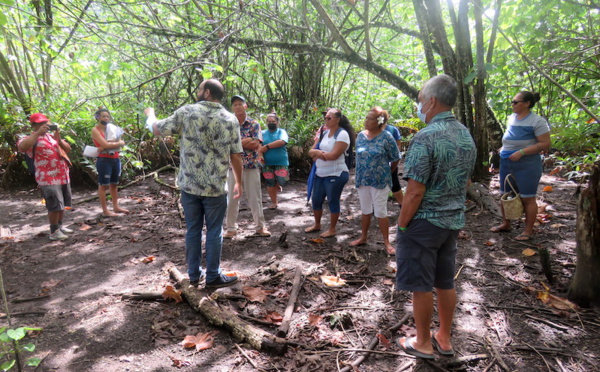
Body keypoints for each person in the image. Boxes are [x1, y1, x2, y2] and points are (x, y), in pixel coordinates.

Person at [395, 75, 476, 359]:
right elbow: (465, 181)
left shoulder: (426, 136)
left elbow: (414, 191)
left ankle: (422, 342)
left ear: (431, 101)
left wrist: (402, 224)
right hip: (452, 220)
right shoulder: (465, 134)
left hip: (424, 222)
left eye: (420, 101)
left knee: (420, 284)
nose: (419, 107)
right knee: (445, 281)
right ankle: (443, 336)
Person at [144, 79, 243, 289]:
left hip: (190, 186)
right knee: (215, 231)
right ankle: (213, 275)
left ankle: (194, 274)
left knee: (193, 230)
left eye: (199, 89)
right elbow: (236, 155)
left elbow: (156, 129)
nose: (198, 92)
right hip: (216, 187)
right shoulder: (230, 118)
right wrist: (239, 182)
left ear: (206, 92)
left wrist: (150, 115)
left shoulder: (187, 111)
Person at [490, 91, 551, 241]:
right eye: (512, 101)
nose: (513, 104)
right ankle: (506, 224)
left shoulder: (537, 121)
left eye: (516, 102)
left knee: (528, 198)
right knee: (504, 194)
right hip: (507, 161)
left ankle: (528, 230)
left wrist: (522, 152)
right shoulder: (512, 118)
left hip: (527, 163)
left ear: (527, 103)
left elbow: (545, 144)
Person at [350, 107, 400, 254]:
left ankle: (386, 242)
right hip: (363, 179)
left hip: (380, 181)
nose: (366, 121)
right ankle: (363, 237)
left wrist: (388, 172)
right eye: (366, 117)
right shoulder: (360, 136)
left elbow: (396, 158)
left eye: (370, 119)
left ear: (379, 122)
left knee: (380, 211)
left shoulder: (387, 137)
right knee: (365, 210)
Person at [17, 113, 73, 241]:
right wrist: (37, 134)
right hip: (47, 177)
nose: (44, 125)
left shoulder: (52, 137)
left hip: (63, 175)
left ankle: (60, 226)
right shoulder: (29, 138)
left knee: (62, 203)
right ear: (33, 125)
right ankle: (54, 231)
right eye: (40, 123)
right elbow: (22, 147)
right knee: (54, 202)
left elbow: (68, 149)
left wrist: (58, 139)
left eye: (45, 122)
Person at [224, 95, 271, 238]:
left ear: (245, 106)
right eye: (235, 104)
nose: (237, 106)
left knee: (254, 197)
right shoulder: (228, 123)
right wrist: (247, 140)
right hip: (233, 166)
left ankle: (260, 227)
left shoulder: (254, 123)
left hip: (251, 165)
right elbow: (226, 143)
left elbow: (256, 144)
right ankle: (231, 228)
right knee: (232, 198)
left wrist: (237, 142)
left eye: (240, 104)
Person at [305, 108, 355, 238]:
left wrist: (318, 154)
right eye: (325, 117)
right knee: (316, 200)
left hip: (336, 173)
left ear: (337, 119)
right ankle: (317, 224)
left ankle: (332, 229)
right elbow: (311, 151)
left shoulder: (342, 134)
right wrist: (318, 153)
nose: (326, 120)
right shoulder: (324, 133)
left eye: (329, 118)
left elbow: (334, 155)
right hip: (320, 173)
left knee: (333, 200)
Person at [91, 108, 129, 216]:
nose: (106, 118)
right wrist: (114, 144)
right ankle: (105, 210)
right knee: (103, 185)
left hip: (115, 159)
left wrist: (107, 145)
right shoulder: (96, 130)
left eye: (107, 116)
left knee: (114, 184)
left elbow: (122, 142)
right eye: (103, 116)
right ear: (98, 117)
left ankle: (116, 207)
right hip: (104, 160)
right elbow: (109, 145)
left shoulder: (112, 129)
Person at [258, 112, 289, 210]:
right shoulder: (262, 133)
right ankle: (274, 202)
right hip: (267, 163)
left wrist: (267, 147)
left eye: (273, 121)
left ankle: (278, 184)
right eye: (269, 121)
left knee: (282, 180)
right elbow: (258, 144)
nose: (271, 123)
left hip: (281, 161)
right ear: (266, 122)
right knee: (269, 182)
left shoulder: (281, 132)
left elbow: (282, 141)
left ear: (277, 122)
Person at [383, 121, 404, 205]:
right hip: (375, 164)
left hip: (390, 162)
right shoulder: (370, 131)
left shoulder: (392, 129)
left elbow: (398, 145)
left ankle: (403, 206)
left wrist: (394, 155)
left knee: (395, 185)